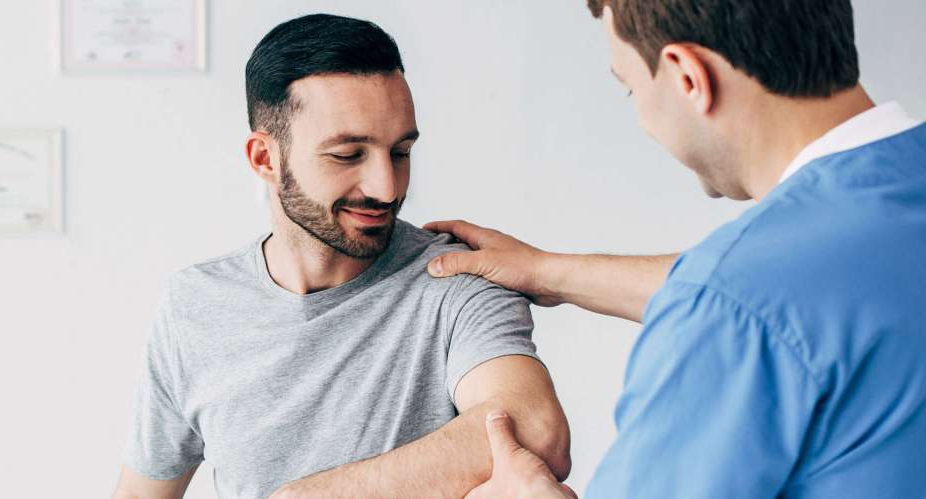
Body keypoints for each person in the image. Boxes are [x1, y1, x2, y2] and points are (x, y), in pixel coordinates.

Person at [429, 1, 926, 498]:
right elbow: (820, 288)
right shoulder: (857, 233)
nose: (642, 116)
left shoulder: (731, 305)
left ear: (689, 77)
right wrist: (546, 272)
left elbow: (749, 302)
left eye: (631, 88)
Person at [110, 14, 571, 499]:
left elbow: (535, 426)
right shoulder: (195, 305)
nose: (386, 188)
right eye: (348, 155)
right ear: (265, 159)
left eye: (400, 152)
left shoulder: (457, 277)